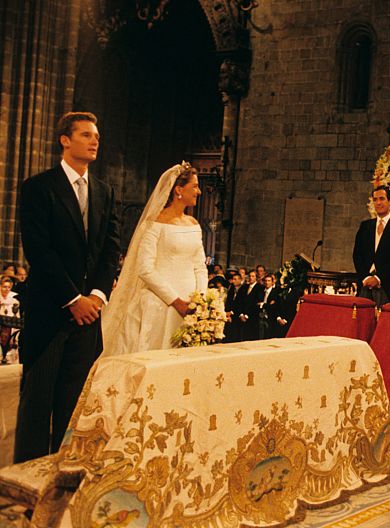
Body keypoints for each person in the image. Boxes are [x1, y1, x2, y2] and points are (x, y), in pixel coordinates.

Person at [15, 112, 121, 462]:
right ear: (65, 139)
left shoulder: (104, 192)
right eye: (86, 135)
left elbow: (110, 249)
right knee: (36, 407)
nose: (95, 141)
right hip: (50, 312)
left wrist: (97, 296)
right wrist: (73, 298)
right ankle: (26, 482)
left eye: (97, 136)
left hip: (89, 317)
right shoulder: (38, 187)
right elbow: (39, 251)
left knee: (73, 407)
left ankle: (61, 476)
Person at [101, 162, 207, 360]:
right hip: (161, 304)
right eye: (194, 186)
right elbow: (145, 269)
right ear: (178, 190)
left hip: (192, 309)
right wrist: (176, 301)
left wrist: (200, 300)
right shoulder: (155, 224)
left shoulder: (194, 224)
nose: (199, 191)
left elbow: (200, 266)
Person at [353, 185, 390, 306]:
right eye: (375, 199)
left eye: (382, 199)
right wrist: (365, 278)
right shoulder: (365, 226)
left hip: (386, 286)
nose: (378, 203)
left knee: (384, 323)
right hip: (364, 286)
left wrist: (378, 278)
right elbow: (357, 255)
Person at [241, 270, 265, 341]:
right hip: (243, 316)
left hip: (253, 317)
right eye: (250, 276)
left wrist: (247, 315)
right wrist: (241, 314)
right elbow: (241, 302)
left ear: (256, 278)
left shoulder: (260, 288)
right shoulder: (245, 287)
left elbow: (257, 303)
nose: (251, 278)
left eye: (253, 276)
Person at [225, 272, 246, 342]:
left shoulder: (244, 289)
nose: (233, 281)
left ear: (240, 280)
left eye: (235, 279)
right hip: (229, 315)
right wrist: (227, 312)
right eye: (233, 279)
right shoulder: (231, 289)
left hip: (237, 314)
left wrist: (232, 312)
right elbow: (228, 301)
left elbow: (241, 303)